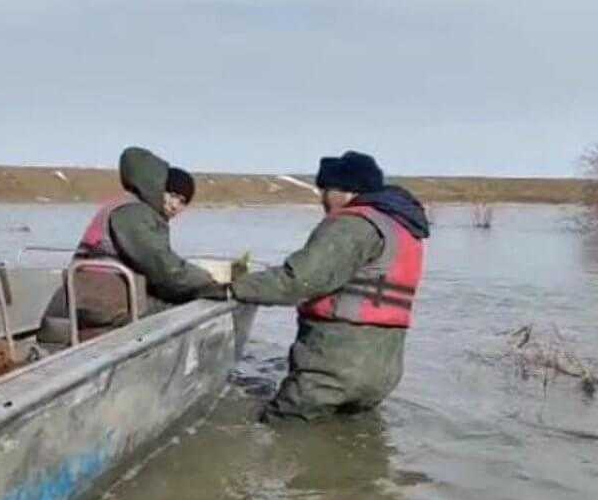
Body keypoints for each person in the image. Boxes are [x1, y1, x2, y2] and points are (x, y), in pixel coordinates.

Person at [232, 151, 429, 421]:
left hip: (334, 364)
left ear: (346, 190)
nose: (322, 198)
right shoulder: (402, 227)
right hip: (384, 369)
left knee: (281, 431)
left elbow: (298, 281)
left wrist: (234, 287)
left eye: (325, 189)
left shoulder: (351, 224)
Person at [38, 146, 228, 343]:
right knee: (183, 308)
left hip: (90, 295)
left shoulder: (128, 207)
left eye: (182, 202)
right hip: (102, 301)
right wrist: (208, 283)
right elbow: (163, 267)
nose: (174, 205)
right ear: (157, 187)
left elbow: (155, 264)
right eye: (171, 195)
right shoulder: (135, 213)